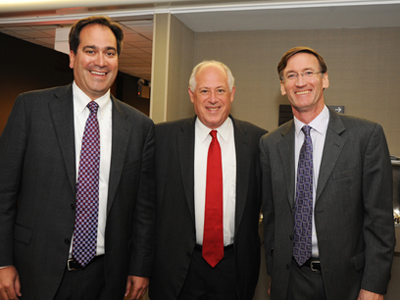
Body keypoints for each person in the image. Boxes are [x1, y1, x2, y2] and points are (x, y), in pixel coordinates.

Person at [0, 15, 155, 300]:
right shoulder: (31, 108)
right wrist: (2, 261)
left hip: (108, 276)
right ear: (72, 56)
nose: (101, 61)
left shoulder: (140, 126)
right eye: (90, 50)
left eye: (110, 52)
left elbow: (143, 209)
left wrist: (140, 267)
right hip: (36, 270)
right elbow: (3, 193)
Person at [260, 46, 395, 300]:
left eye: (308, 72)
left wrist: (374, 285)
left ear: (325, 79)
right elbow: (272, 218)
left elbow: (380, 223)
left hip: (348, 283)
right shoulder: (270, 144)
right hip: (290, 281)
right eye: (291, 75)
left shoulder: (365, 136)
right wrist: (275, 274)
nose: (300, 82)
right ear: (282, 86)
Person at [149, 60, 267, 300]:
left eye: (220, 90)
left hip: (235, 270)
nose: (213, 99)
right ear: (192, 95)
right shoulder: (162, 139)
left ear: (232, 93)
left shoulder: (259, 142)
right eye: (204, 90)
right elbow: (144, 209)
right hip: (177, 270)